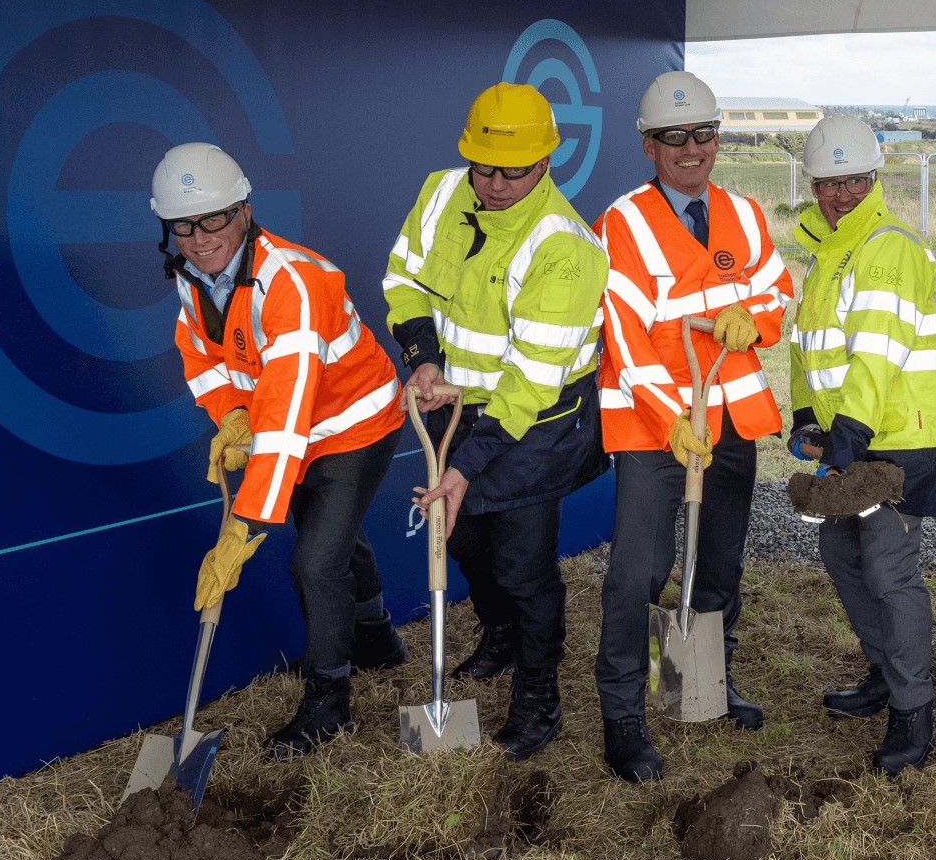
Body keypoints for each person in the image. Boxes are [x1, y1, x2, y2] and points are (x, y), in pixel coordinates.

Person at [155, 142, 406, 758]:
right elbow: (202, 360)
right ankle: (374, 638)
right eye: (183, 225)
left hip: (353, 422)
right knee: (335, 533)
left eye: (214, 218)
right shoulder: (195, 278)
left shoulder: (290, 281)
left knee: (315, 563)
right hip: (286, 422)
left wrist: (240, 528)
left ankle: (329, 702)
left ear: (244, 209)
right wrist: (233, 415)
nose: (200, 236)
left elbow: (292, 418)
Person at [384, 82, 608, 762]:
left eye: (516, 169)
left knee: (523, 565)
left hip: (537, 420)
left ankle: (539, 697)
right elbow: (406, 279)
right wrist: (423, 359)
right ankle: (501, 634)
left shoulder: (567, 249)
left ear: (547, 161)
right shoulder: (443, 193)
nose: (499, 183)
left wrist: (462, 467)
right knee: (466, 543)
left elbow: (528, 384)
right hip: (457, 404)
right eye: (487, 168)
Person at [590, 71, 793, 783]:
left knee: (720, 561)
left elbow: (775, 290)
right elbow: (622, 337)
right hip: (657, 428)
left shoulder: (742, 212)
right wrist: (670, 419)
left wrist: (756, 320)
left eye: (704, 134)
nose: (692, 149)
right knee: (638, 573)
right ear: (649, 145)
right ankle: (623, 715)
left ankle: (700, 680)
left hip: (731, 418)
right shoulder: (622, 223)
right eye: (674, 137)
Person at [785, 116, 936, 776]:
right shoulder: (828, 255)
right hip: (851, 437)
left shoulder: (887, 247)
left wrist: (847, 440)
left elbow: (877, 357)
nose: (841, 194)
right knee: (842, 553)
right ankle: (887, 672)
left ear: (875, 178)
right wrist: (806, 416)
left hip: (901, 439)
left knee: (887, 568)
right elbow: (810, 349)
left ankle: (913, 711)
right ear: (814, 184)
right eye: (829, 182)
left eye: (854, 179)